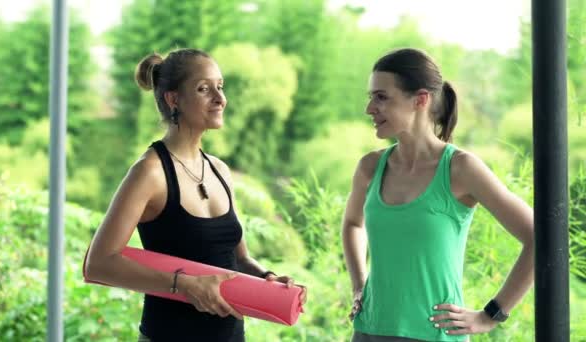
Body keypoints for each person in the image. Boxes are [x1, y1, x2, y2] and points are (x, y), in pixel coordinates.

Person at [85, 48, 307, 342]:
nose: (220, 98)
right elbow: (98, 263)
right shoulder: (150, 172)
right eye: (204, 89)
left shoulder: (219, 170)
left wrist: (267, 278)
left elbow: (237, 259)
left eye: (220, 86)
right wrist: (184, 284)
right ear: (173, 99)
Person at [341, 48, 534, 342]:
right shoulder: (370, 167)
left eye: (381, 97)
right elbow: (354, 224)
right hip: (369, 330)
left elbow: (539, 237)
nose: (370, 108)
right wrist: (359, 284)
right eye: (370, 97)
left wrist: (491, 314)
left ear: (420, 99)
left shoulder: (462, 169)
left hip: (435, 334)